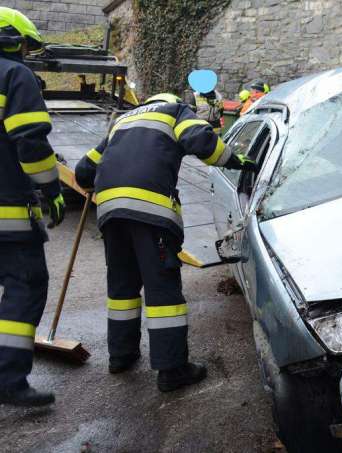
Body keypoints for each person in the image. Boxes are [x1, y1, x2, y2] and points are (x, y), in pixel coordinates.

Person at [74, 93, 256, 392]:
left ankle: (121, 356)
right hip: (151, 214)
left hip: (109, 213)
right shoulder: (175, 111)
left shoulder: (121, 122)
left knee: (122, 288)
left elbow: (83, 172)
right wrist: (235, 160)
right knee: (162, 292)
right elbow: (202, 141)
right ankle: (172, 370)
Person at [0, 7, 66, 407]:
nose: (27, 53)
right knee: (24, 286)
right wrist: (51, 188)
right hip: (7, 211)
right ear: (11, 39)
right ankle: (8, 380)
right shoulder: (13, 74)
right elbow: (31, 143)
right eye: (25, 45)